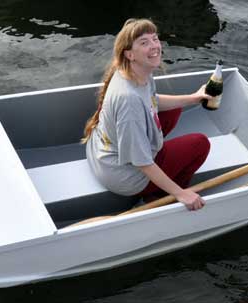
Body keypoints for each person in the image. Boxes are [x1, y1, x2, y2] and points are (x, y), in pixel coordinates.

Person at [82, 18, 213, 211]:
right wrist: (180, 193)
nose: (155, 46)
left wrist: (194, 98)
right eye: (144, 42)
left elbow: (152, 100)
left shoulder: (134, 70)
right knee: (199, 144)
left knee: (174, 110)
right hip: (122, 176)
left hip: (101, 153)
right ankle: (157, 197)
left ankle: (161, 180)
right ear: (130, 54)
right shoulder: (129, 101)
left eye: (155, 38)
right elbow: (141, 162)